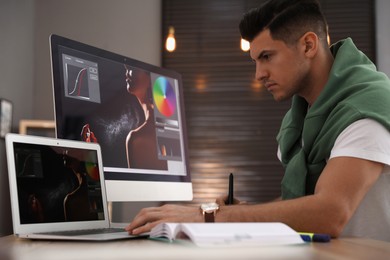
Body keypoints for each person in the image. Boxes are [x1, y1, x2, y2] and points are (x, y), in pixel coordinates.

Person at [126, 0, 390, 241]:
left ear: (308, 45)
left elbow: (331, 212)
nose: (259, 74)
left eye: (266, 57)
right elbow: (302, 204)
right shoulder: (300, 119)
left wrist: (206, 216)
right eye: (255, 61)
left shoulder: (365, 108)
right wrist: (243, 213)